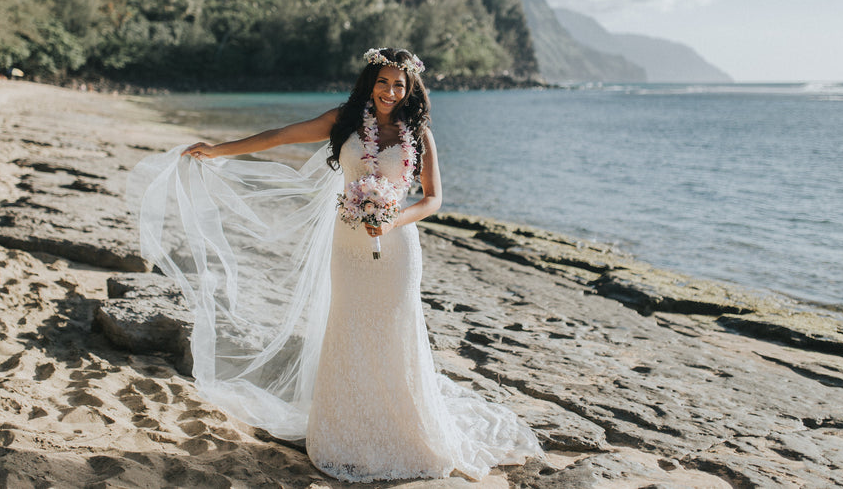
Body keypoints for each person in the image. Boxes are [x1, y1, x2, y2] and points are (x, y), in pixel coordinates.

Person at [128, 47, 540, 482]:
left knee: (394, 329)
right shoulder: (343, 120)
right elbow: (281, 136)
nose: (389, 91)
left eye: (398, 84)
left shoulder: (419, 134)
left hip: (397, 247)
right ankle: (346, 430)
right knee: (350, 326)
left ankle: (401, 428)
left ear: (410, 88)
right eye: (382, 82)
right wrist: (218, 150)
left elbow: (433, 198)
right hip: (347, 246)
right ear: (371, 83)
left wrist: (393, 217)